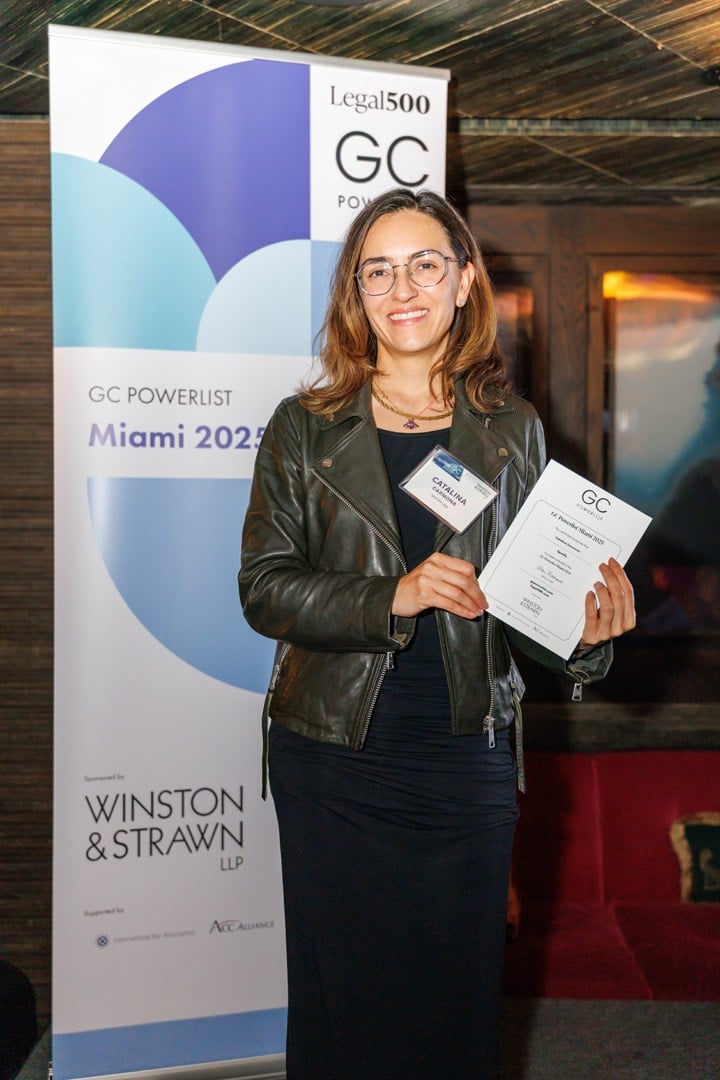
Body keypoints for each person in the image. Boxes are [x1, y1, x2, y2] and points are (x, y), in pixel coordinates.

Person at [239, 188, 635, 1080]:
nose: (402, 288)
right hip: (335, 756)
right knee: (345, 1012)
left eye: (425, 265)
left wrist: (586, 635)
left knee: (455, 1010)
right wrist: (396, 594)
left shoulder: (510, 430)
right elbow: (264, 589)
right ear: (356, 293)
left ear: (463, 281)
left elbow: (527, 607)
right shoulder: (305, 428)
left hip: (465, 756)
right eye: (377, 271)